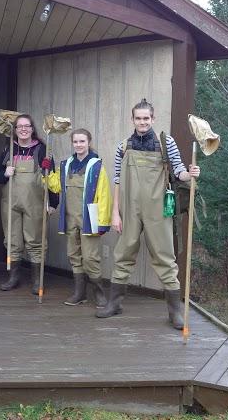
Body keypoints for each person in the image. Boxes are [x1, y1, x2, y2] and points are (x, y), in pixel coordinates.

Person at [96, 99, 200, 329]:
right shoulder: (123, 146)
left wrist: (191, 173)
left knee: (165, 256)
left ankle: (175, 311)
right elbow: (116, 180)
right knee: (123, 253)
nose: (142, 122)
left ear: (153, 119)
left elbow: (180, 172)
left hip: (158, 209)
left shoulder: (165, 143)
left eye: (146, 118)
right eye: (138, 118)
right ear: (132, 120)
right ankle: (114, 303)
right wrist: (115, 213)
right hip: (129, 208)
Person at [46, 128, 112, 307]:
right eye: (75, 142)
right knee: (74, 255)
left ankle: (98, 292)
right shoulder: (66, 165)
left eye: (82, 141)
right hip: (70, 218)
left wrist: (103, 222)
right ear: (72, 143)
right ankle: (79, 293)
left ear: (89, 142)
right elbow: (56, 187)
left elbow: (104, 195)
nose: (79, 145)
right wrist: (47, 170)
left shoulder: (96, 165)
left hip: (89, 219)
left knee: (90, 258)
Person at [0, 114, 58, 294]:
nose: (23, 129)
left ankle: (37, 280)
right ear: (15, 130)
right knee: (12, 241)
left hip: (35, 203)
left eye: (26, 126)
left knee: (35, 240)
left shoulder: (41, 149)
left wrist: (53, 202)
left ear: (32, 129)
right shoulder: (9, 149)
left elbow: (52, 178)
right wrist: (5, 173)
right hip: (10, 202)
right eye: (19, 126)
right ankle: (13, 277)